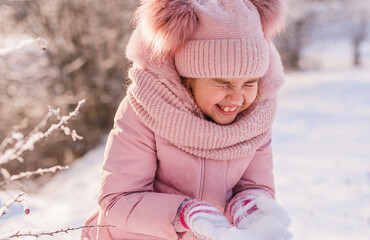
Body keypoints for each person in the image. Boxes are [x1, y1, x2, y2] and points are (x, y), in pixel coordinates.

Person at [81, 0, 292, 239]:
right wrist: (184, 213)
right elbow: (118, 200)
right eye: (223, 83)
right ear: (188, 78)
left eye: (249, 83)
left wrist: (249, 206)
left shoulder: (255, 117)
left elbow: (255, 185)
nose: (237, 97)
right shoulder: (147, 108)